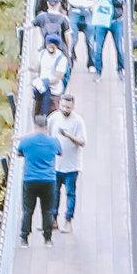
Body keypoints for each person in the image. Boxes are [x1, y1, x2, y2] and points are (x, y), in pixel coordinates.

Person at [16, 111, 61, 246]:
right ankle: (47, 239)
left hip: (30, 179)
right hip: (48, 180)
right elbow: (60, 152)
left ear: (34, 126)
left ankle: (24, 238)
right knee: (47, 210)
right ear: (46, 127)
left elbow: (19, 153)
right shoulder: (53, 141)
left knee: (27, 210)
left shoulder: (27, 141)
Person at [56, 100, 87, 227]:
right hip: (56, 165)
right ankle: (53, 220)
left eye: (68, 107)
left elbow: (82, 142)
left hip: (72, 166)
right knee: (54, 193)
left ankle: (68, 220)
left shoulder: (78, 121)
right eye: (63, 106)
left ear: (73, 107)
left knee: (70, 193)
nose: (65, 109)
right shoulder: (54, 118)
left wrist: (69, 136)